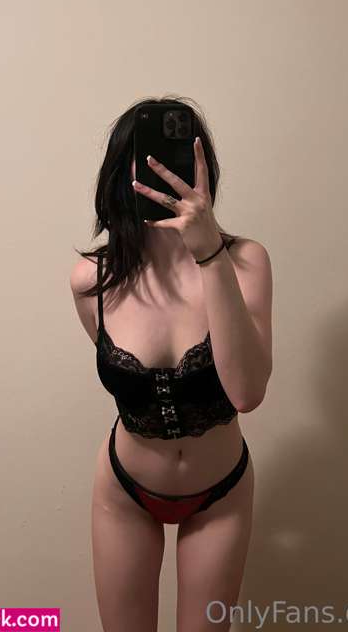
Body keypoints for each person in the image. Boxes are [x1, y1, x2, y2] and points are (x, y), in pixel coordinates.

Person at [70, 95, 273, 632]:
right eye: (148, 161)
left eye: (181, 160)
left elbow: (247, 393)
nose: (167, 175)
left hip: (221, 493)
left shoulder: (245, 261)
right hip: (124, 489)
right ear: (122, 173)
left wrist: (209, 255)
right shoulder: (92, 280)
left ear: (204, 168)